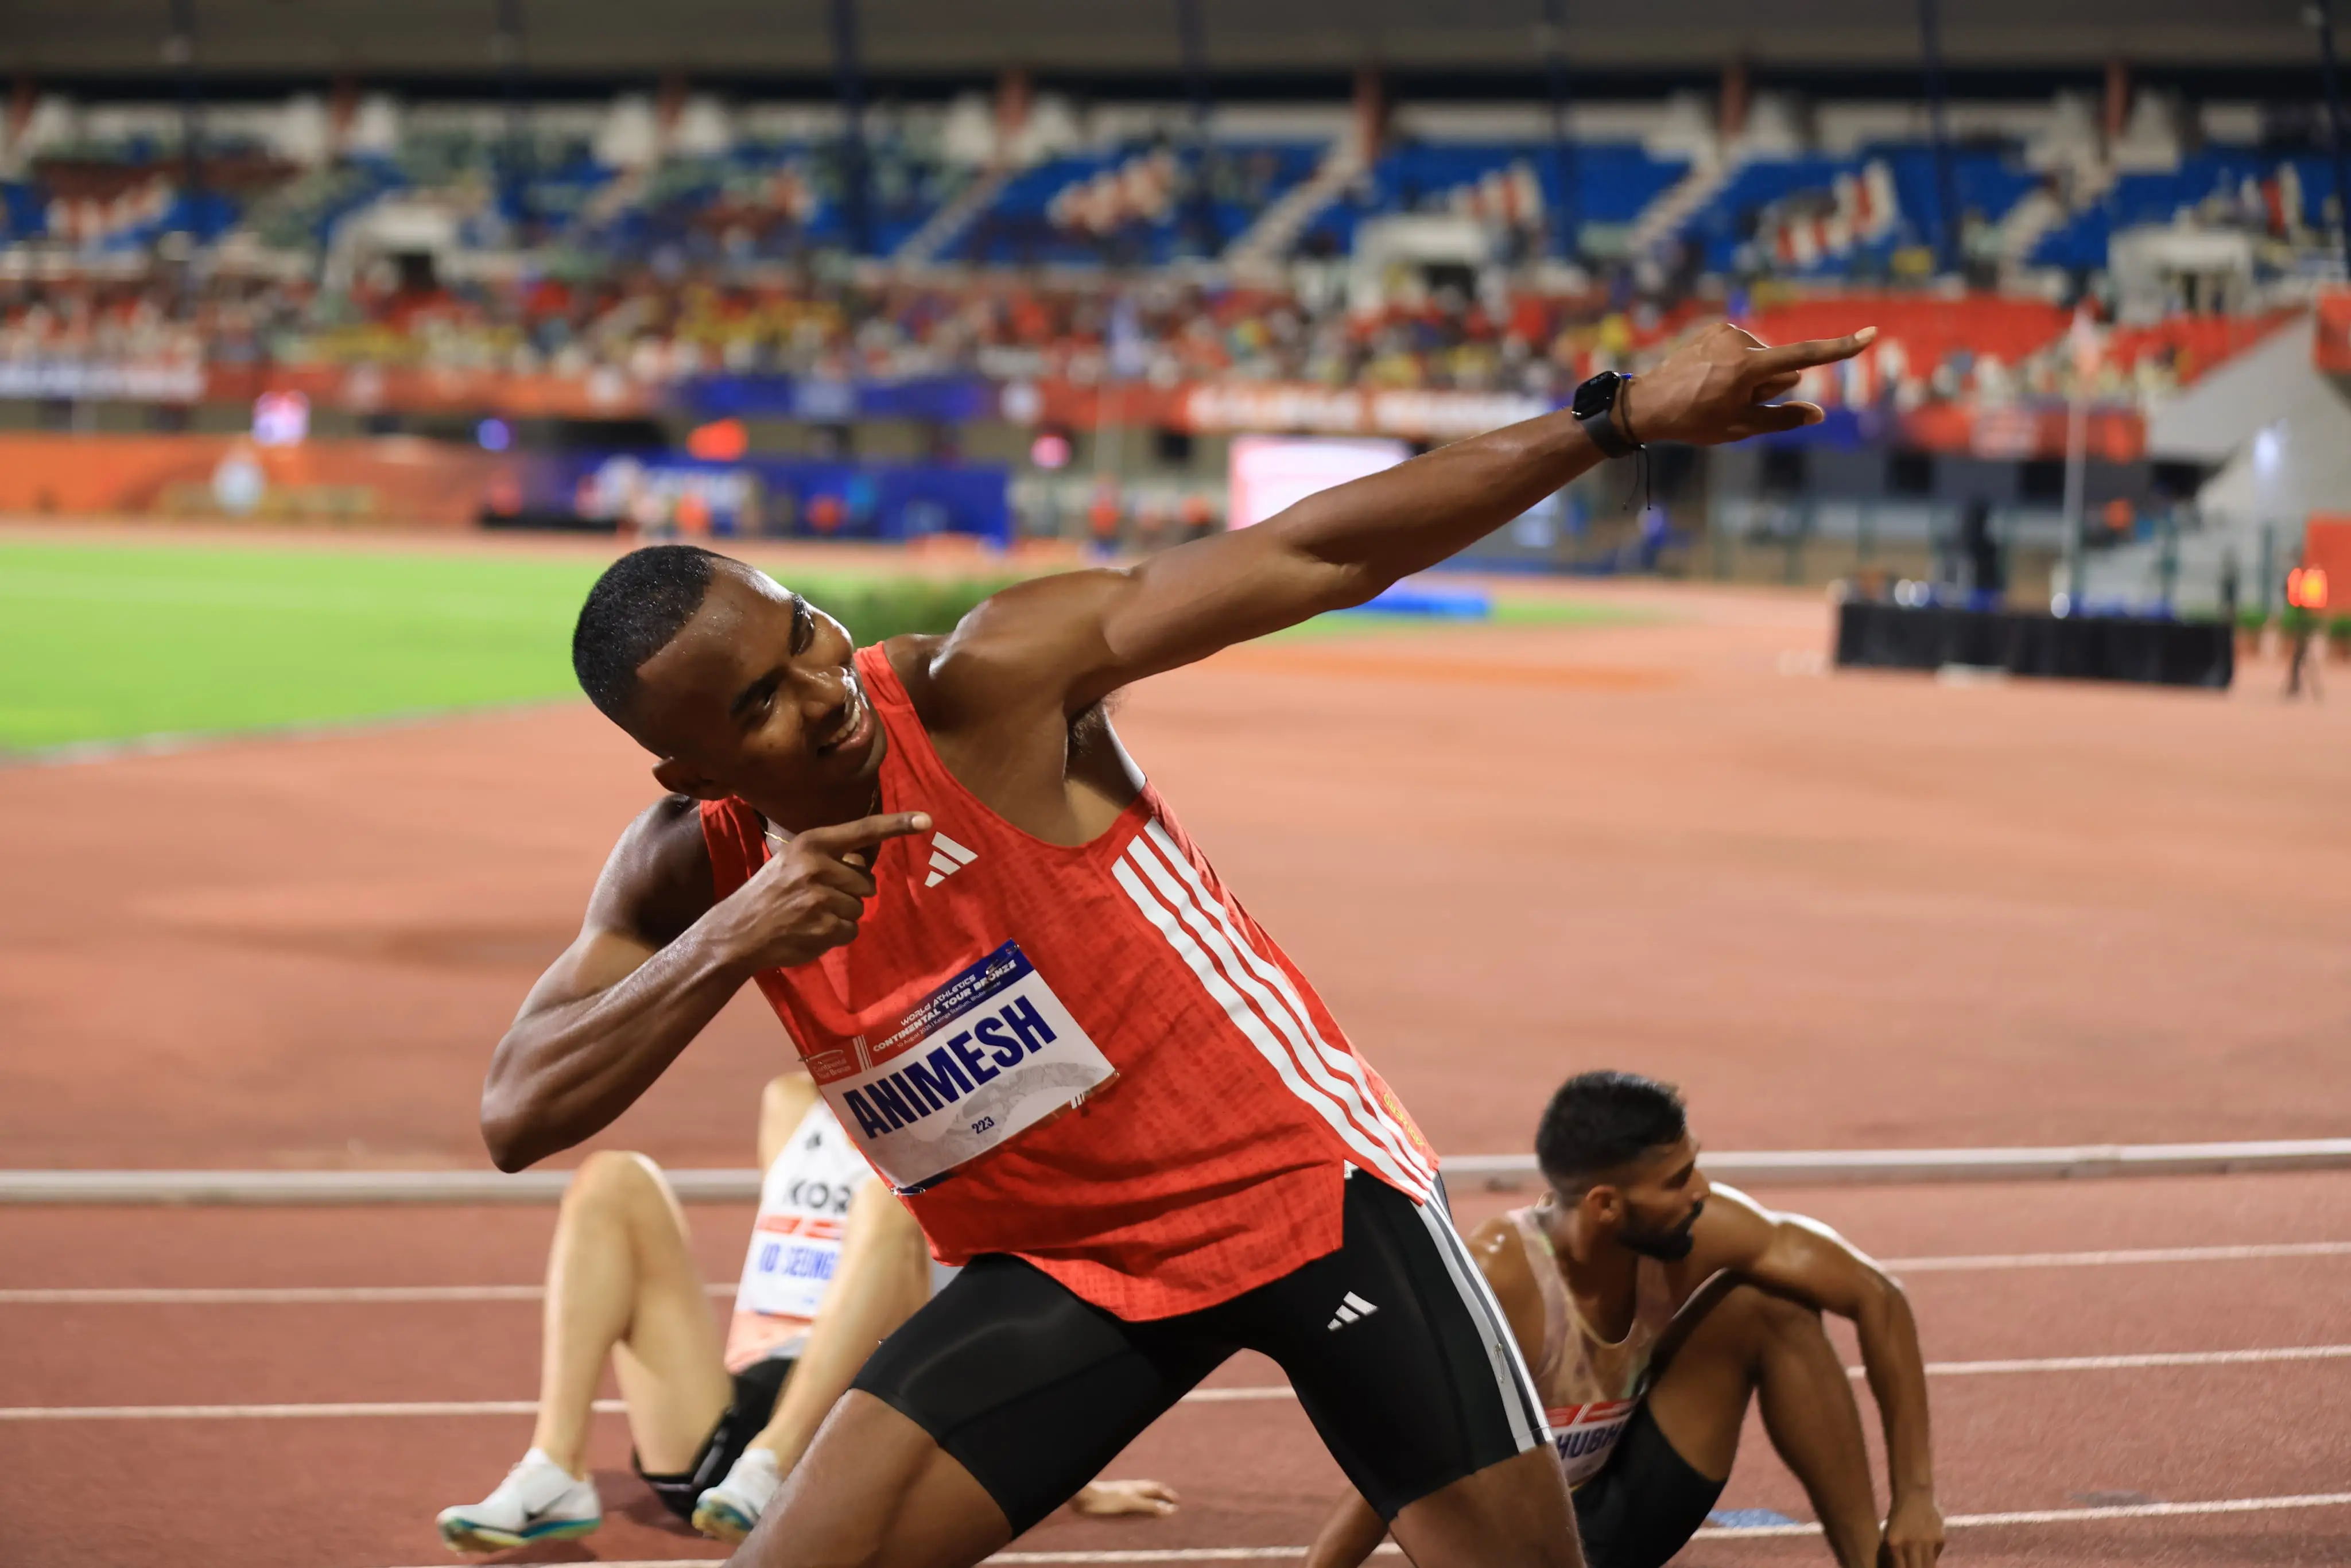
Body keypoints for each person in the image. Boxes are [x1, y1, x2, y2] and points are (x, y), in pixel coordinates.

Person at [479, 320, 1876, 1568]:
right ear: (690, 771)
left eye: (806, 633)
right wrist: (731, 937)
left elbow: (1315, 552)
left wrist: (1612, 419)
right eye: (762, 703)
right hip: (1063, 1263)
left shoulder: (986, 689)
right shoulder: (689, 870)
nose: (826, 689)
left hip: (1300, 1195)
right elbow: (516, 1110)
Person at [437, 1074, 1174, 1550]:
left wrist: (1068, 1470)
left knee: (889, 1211)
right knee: (613, 1177)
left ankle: (774, 1461)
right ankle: (554, 1465)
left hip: (852, 1436)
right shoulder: (791, 1102)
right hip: (722, 1423)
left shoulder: (989, 1129)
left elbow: (1022, 1300)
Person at [1306, 1072, 1943, 1568]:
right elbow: (1396, 1452)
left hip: (1625, 1507)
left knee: (1769, 1306)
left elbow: (1878, 1296)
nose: (1700, 1190)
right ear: (1606, 1205)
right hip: (1516, 1545)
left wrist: (1913, 1494)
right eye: (1677, 1179)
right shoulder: (1501, 1277)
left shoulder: (1705, 1227)